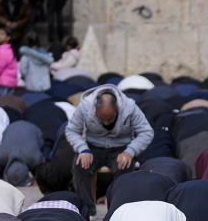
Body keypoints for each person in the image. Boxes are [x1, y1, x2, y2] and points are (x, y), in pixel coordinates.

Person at [64, 85, 155, 213]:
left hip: (121, 148)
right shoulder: (85, 106)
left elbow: (147, 132)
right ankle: (88, 211)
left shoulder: (129, 107)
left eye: (110, 119)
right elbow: (72, 130)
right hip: (93, 147)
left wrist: (130, 151)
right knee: (80, 165)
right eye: (102, 119)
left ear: (117, 108)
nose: (106, 123)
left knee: (125, 168)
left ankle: (118, 210)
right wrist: (82, 149)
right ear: (95, 108)